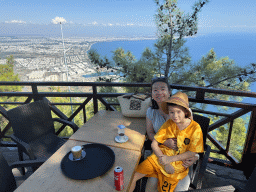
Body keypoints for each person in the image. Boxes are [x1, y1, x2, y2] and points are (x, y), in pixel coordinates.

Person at [129, 91, 204, 192]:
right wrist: (165, 162)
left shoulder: (195, 128)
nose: (175, 116)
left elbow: (193, 152)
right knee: (132, 177)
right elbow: (154, 143)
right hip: (159, 157)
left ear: (186, 112)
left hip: (176, 163)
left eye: (178, 112)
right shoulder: (169, 123)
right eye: (171, 112)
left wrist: (170, 160)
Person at [144, 77, 199, 192]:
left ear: (169, 92)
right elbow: (149, 133)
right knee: (151, 186)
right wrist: (163, 141)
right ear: (152, 94)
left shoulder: (184, 110)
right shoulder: (151, 111)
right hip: (161, 156)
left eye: (162, 89)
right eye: (155, 90)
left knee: (178, 189)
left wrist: (195, 156)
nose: (159, 92)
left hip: (181, 158)